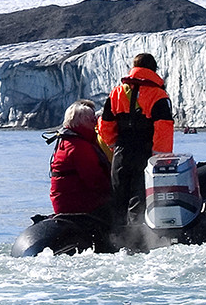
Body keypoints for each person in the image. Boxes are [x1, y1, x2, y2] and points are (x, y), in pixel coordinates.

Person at [98, 53, 174, 225]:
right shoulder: (158, 96)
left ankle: (117, 239)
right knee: (140, 198)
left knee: (119, 196)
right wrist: (160, 158)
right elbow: (163, 129)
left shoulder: (116, 93)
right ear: (153, 69)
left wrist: (113, 146)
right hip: (145, 152)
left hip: (122, 151)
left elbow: (106, 125)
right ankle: (138, 240)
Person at [47, 100, 113, 217]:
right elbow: (96, 181)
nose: (95, 123)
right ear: (83, 122)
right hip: (78, 205)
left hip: (66, 203)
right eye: (93, 120)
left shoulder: (68, 141)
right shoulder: (78, 147)